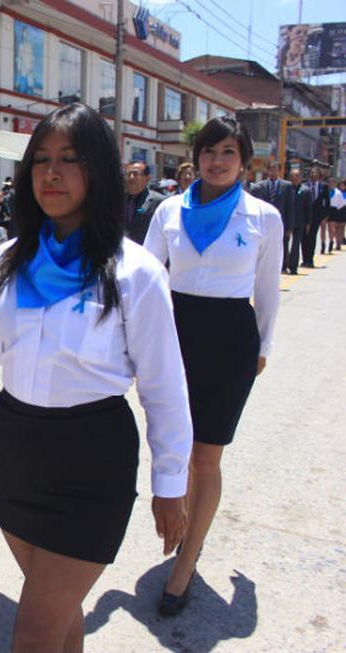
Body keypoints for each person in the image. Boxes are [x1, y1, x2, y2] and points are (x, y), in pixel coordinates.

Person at [0, 103, 191, 652]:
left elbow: (164, 388)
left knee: (34, 629)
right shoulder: (4, 262)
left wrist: (170, 483)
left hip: (93, 461)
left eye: (69, 159)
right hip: (16, 453)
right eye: (40, 160)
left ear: (98, 171)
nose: (51, 172)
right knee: (58, 615)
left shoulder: (136, 272)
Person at [144, 116, 282, 616]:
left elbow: (267, 291)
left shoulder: (263, 216)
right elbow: (146, 275)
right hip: (174, 334)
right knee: (174, 449)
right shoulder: (167, 212)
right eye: (208, 151)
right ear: (196, 158)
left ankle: (186, 563)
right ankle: (182, 521)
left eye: (227, 152)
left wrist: (263, 346)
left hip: (229, 340)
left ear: (244, 161)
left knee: (206, 458)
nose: (216, 161)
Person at [250, 161, 296, 274]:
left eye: (275, 169)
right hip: (264, 222)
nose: (272, 172)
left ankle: (283, 266)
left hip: (281, 221)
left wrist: (290, 226)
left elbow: (290, 207)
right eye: (271, 169)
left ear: (279, 171)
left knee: (281, 245)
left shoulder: (287, 186)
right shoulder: (260, 186)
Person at [123, 162, 166, 244]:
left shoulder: (159, 201)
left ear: (147, 178)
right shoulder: (118, 200)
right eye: (128, 174)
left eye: (136, 174)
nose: (131, 177)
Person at [301, 167, 330, 265]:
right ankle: (304, 259)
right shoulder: (304, 185)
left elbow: (327, 202)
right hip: (305, 216)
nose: (314, 175)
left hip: (317, 217)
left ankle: (310, 259)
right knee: (304, 238)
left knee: (312, 237)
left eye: (316, 173)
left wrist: (325, 215)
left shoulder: (324, 186)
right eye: (312, 173)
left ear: (319, 175)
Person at [287, 168, 311, 275]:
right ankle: (284, 264)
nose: (294, 178)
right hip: (287, 220)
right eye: (292, 176)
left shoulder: (306, 190)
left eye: (297, 176)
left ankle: (293, 266)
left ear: (301, 178)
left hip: (299, 221)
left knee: (296, 244)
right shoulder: (286, 188)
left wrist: (308, 222)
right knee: (284, 244)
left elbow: (308, 208)